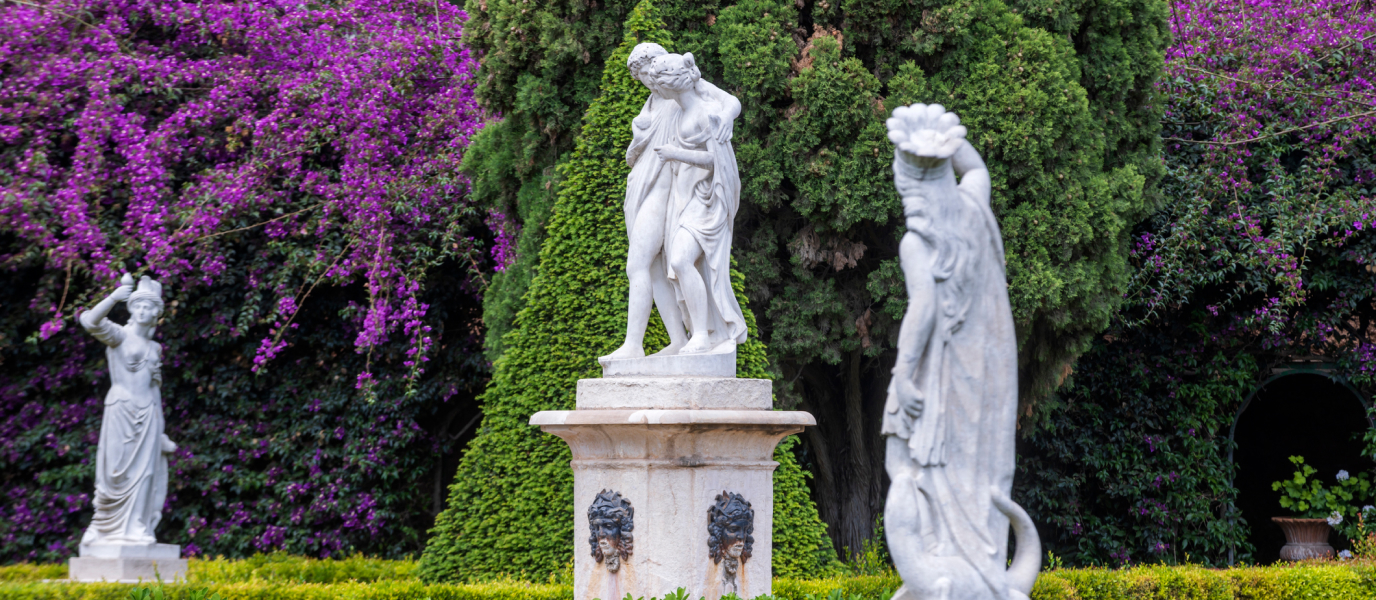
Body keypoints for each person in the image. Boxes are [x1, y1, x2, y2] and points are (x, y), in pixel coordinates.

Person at [881, 105, 1038, 600]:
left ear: (916, 190)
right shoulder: (974, 210)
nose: (906, 202)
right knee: (982, 478)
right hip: (991, 378)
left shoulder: (918, 242)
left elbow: (923, 310)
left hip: (940, 379)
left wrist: (903, 376)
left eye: (906, 190)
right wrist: (946, 147)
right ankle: (985, 574)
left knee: (906, 464)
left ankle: (946, 568)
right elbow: (977, 169)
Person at [602, 44, 744, 361]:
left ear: (662, 66)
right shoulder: (658, 99)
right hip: (645, 183)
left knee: (640, 263)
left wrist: (725, 117)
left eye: (649, 74)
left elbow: (729, 102)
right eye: (642, 78)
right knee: (653, 266)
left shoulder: (685, 89)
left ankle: (635, 344)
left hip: (669, 189)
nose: (648, 82)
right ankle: (678, 339)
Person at [78, 273, 177, 547]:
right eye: (139, 306)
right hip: (120, 409)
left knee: (145, 473)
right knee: (112, 473)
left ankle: (136, 525)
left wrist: (162, 430)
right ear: (132, 309)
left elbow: (154, 389)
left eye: (150, 307)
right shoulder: (120, 336)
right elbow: (89, 321)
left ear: (157, 312)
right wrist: (113, 297)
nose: (144, 311)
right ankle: (100, 526)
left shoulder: (155, 348)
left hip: (147, 414)